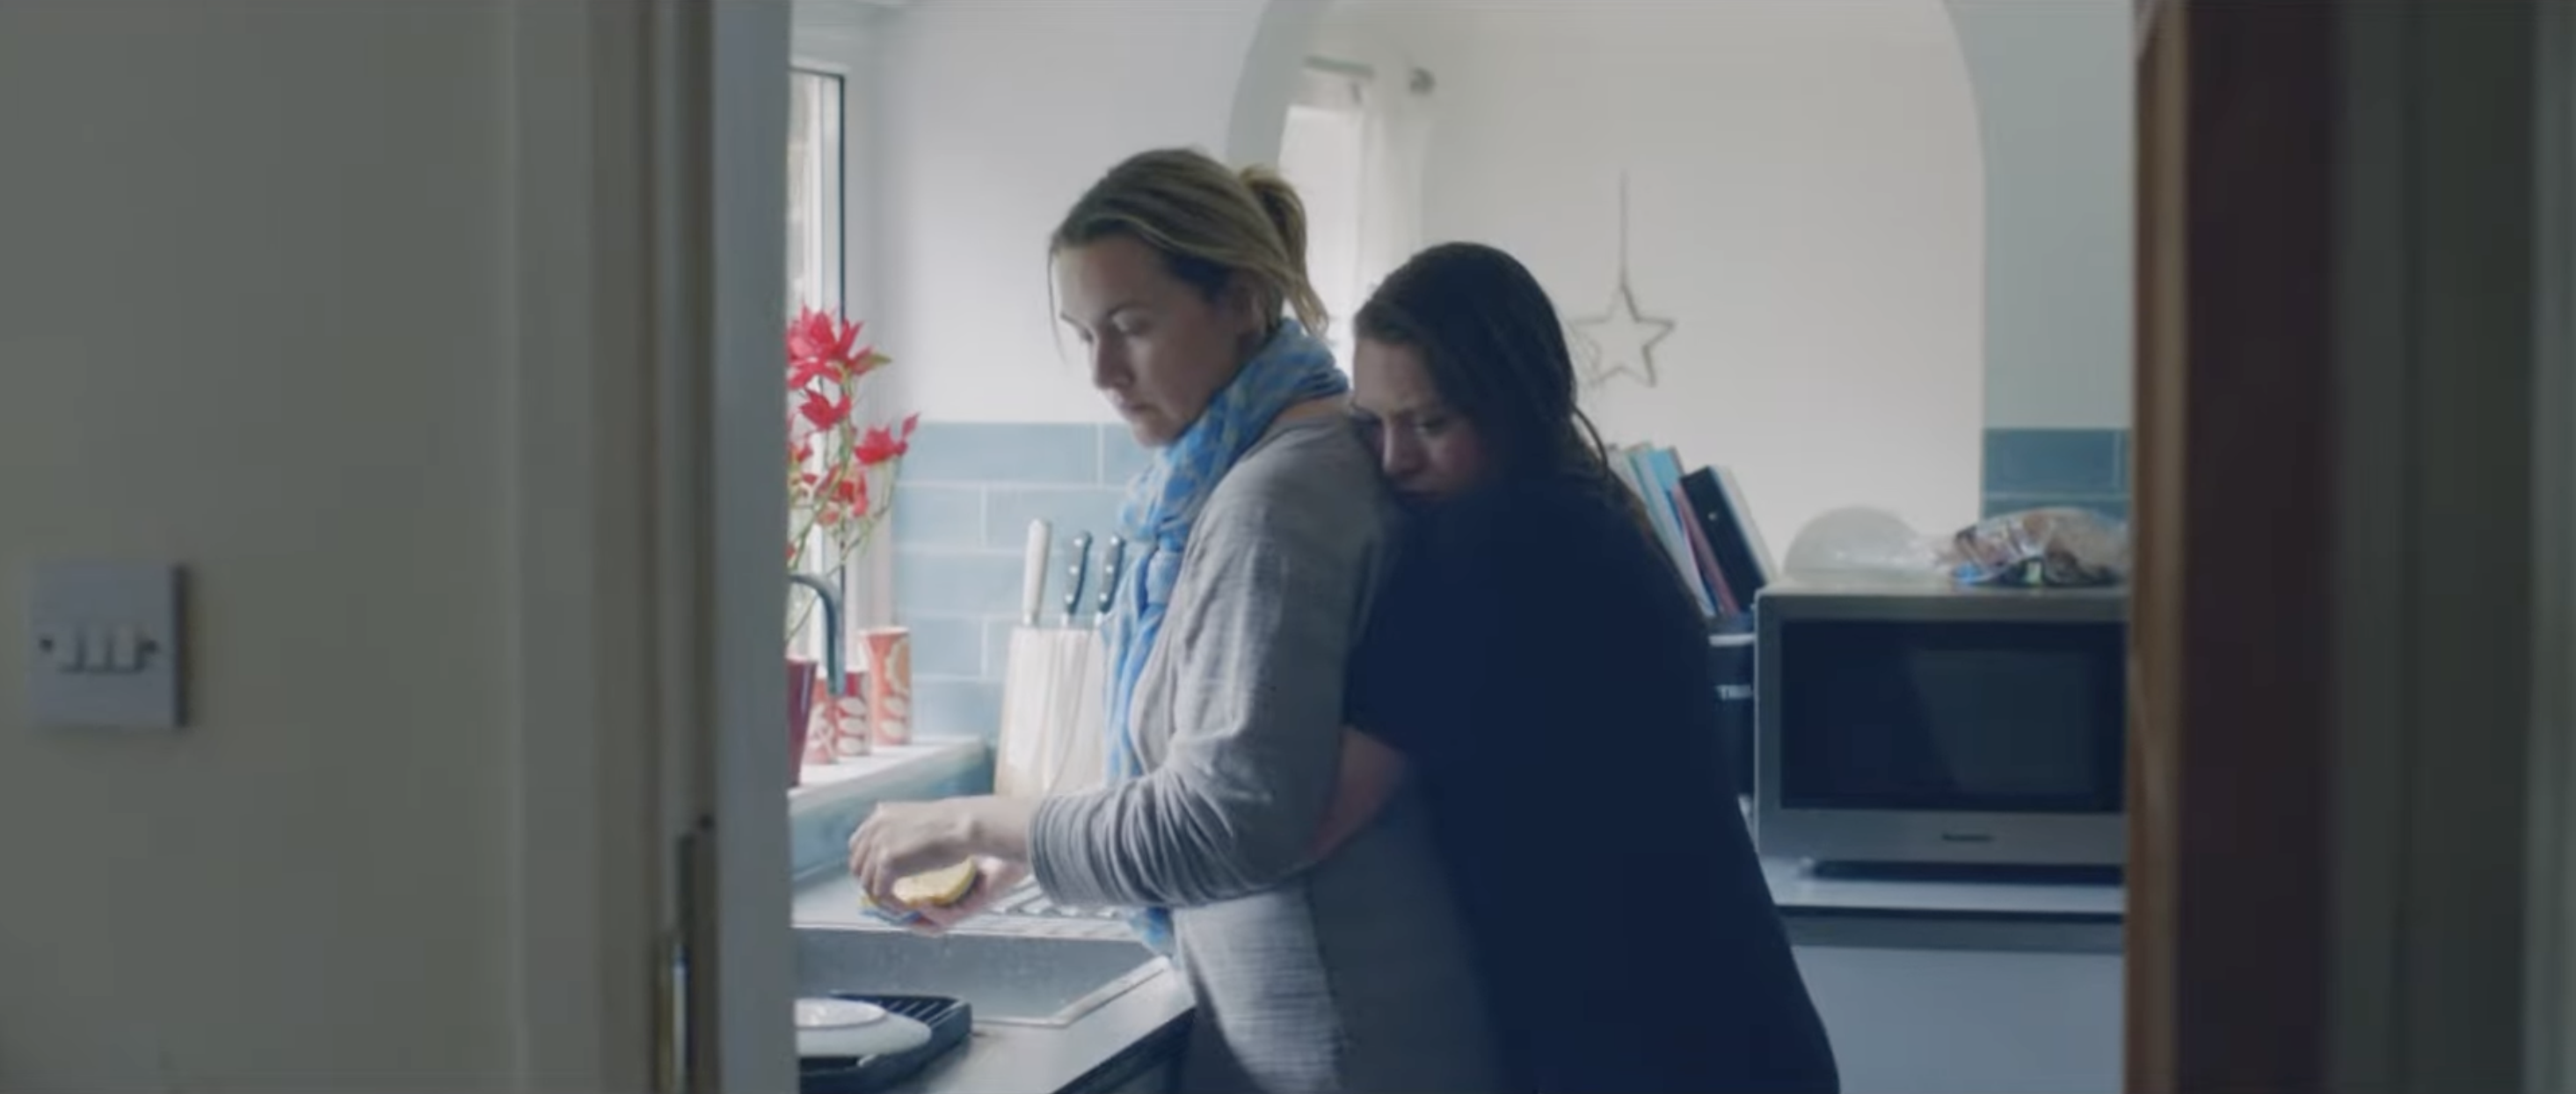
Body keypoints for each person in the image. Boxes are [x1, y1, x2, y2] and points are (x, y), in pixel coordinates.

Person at [844, 149, 1499, 1094]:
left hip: (1338, 1040)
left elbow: (1229, 819)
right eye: (1084, 337)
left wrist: (972, 819)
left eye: (1132, 326)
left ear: (1237, 300)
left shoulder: (1276, 499)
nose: (1105, 372)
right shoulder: (1279, 458)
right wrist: (1025, 849)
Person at [1314, 241, 1843, 1094]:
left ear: (1515, 403)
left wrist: (1041, 826)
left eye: (1430, 422)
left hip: (1652, 1053)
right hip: (1729, 1032)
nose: (1392, 459)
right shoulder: (1587, 506)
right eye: (1371, 423)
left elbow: (1307, 817)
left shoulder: (1494, 540)